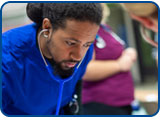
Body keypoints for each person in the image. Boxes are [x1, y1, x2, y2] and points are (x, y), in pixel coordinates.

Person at [2, 3, 103, 115]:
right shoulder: (7, 59)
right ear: (47, 27)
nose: (78, 56)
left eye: (87, 44)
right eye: (70, 43)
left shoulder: (84, 50)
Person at [82, 4, 137, 115]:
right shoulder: (86, 31)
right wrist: (119, 65)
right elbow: (85, 69)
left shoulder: (104, 28)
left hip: (122, 102)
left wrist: (127, 52)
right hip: (100, 104)